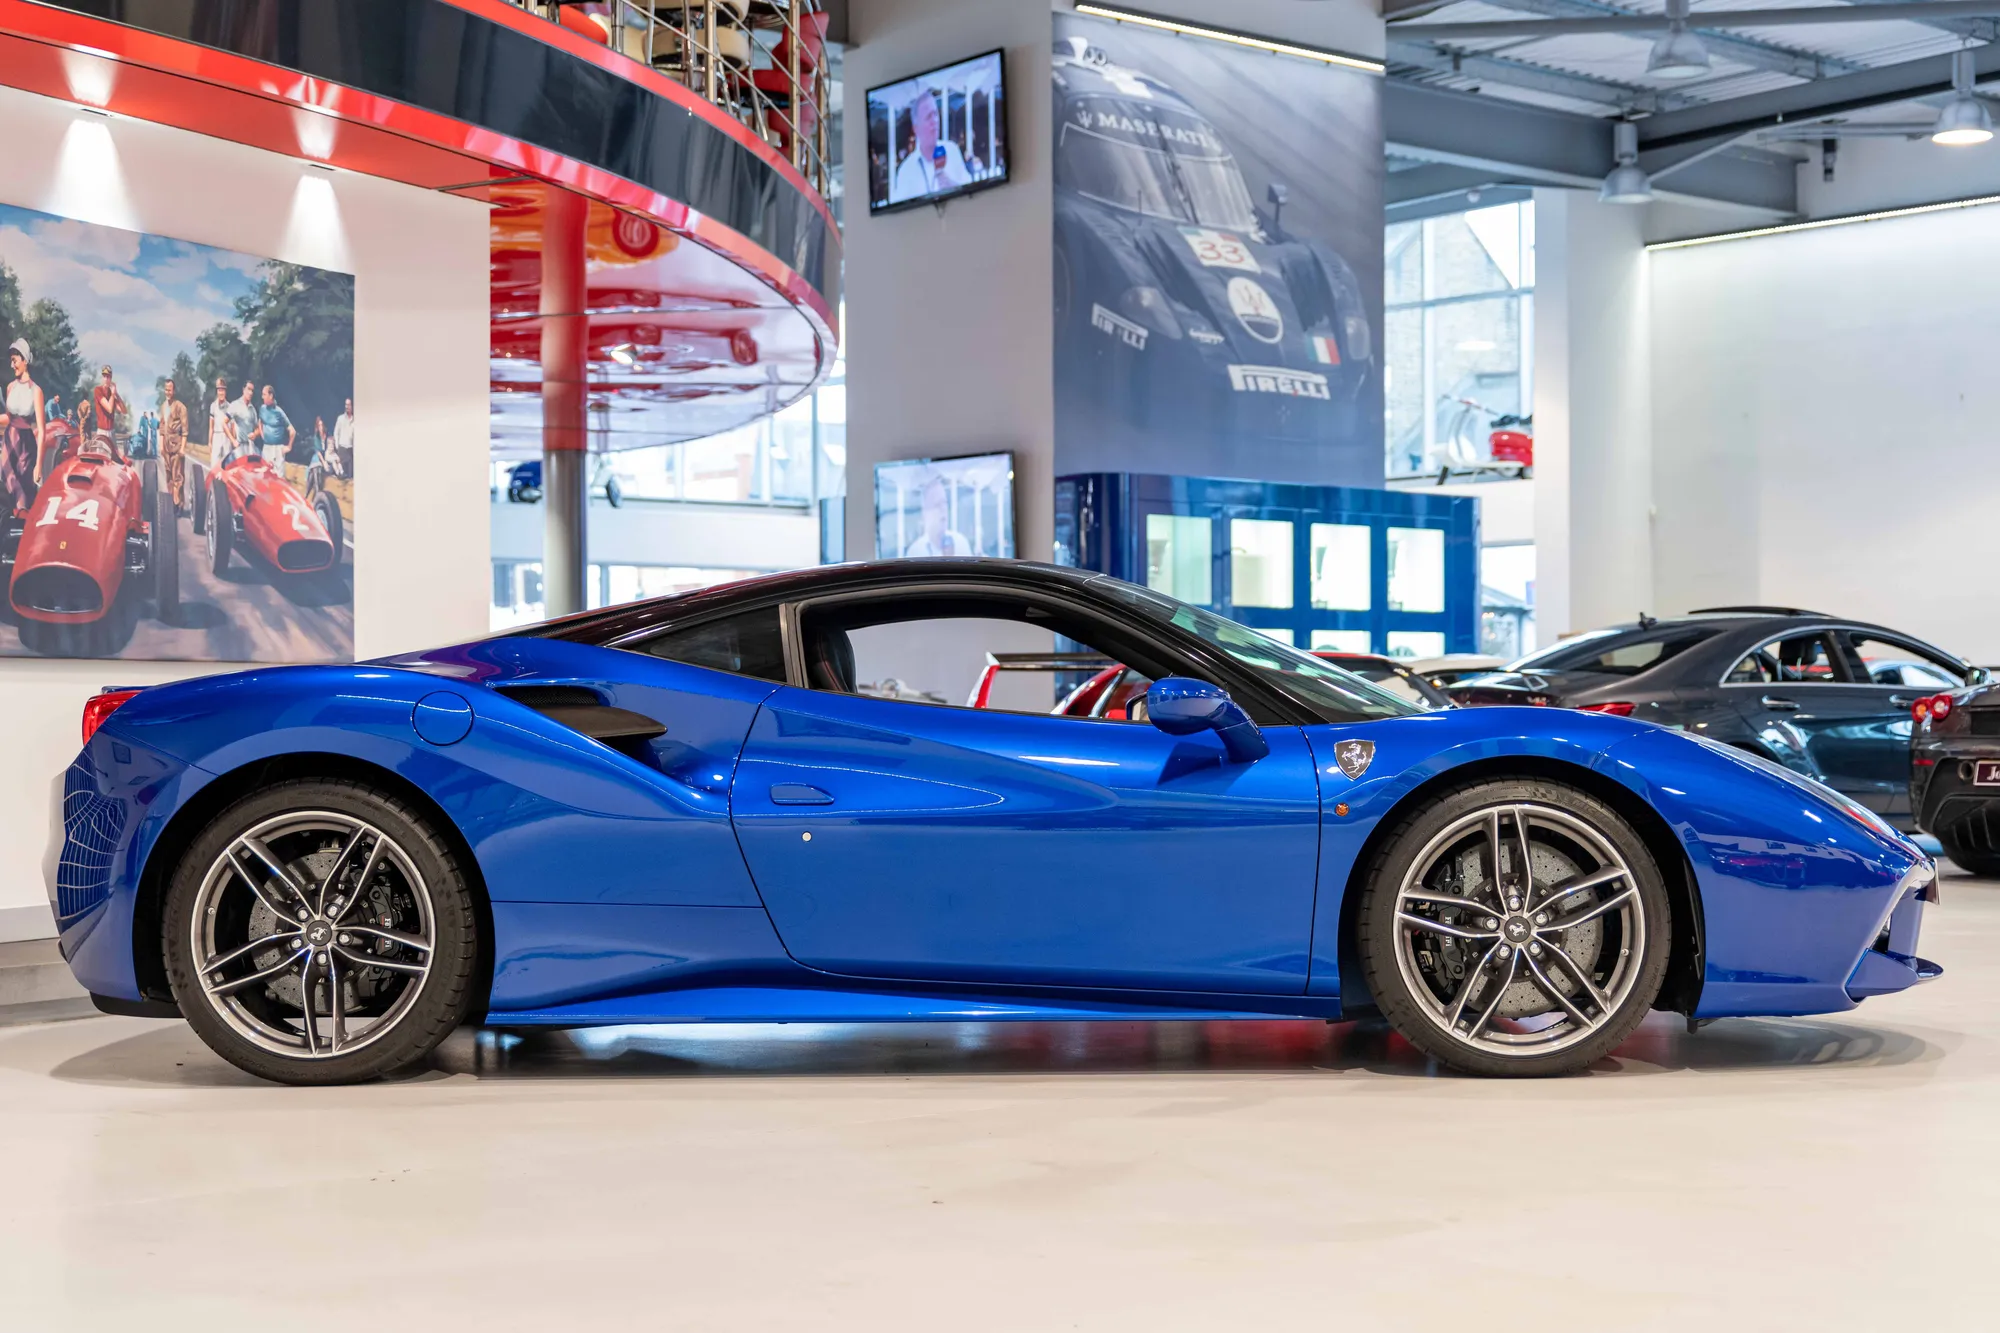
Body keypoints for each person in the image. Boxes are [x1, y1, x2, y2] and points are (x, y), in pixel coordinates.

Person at [890, 88, 970, 204]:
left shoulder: (952, 150)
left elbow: (970, 191)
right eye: (928, 117)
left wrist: (953, 187)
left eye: (935, 114)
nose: (935, 121)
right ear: (916, 128)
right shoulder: (906, 170)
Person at [0, 338, 44, 514]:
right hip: (9, 441)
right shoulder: (10, 387)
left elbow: (42, 430)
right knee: (7, 480)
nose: (12, 365)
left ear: (25, 360)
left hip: (26, 445)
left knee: (24, 490)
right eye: (11, 361)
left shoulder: (36, 391)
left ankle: (22, 520)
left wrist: (39, 464)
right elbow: (8, 417)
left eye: (15, 361)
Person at [900, 476, 973, 557]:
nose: (943, 509)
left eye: (944, 503)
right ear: (926, 512)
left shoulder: (961, 543)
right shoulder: (915, 552)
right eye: (937, 504)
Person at [158, 378, 189, 512]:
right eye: (166, 390)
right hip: (166, 447)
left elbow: (185, 430)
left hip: (176, 446)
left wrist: (182, 448)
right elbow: (162, 427)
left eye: (170, 390)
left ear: (174, 391)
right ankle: (172, 503)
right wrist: (161, 446)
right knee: (169, 476)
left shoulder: (181, 407)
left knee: (178, 477)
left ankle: (178, 504)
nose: (167, 392)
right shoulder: (163, 406)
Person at [255, 384, 295, 465]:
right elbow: (260, 421)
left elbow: (292, 431)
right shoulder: (262, 409)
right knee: (265, 470)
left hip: (277, 449)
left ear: (271, 396)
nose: (262, 397)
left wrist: (289, 447)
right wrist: (263, 435)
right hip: (266, 447)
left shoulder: (279, 412)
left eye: (264, 394)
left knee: (277, 472)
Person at [208, 375, 239, 466]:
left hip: (226, 438)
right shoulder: (213, 406)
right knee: (214, 464)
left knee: (227, 464)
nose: (221, 393)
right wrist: (210, 442)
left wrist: (233, 441)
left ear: (225, 392)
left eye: (223, 390)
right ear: (217, 391)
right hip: (216, 436)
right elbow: (211, 427)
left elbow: (233, 426)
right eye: (219, 390)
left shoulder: (230, 407)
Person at [227, 380, 259, 464]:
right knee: (240, 469)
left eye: (252, 390)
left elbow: (258, 428)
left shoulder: (252, 409)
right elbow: (224, 423)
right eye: (248, 389)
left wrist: (255, 434)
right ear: (243, 389)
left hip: (250, 447)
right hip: (239, 446)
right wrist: (233, 440)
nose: (250, 393)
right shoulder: (235, 405)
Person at [92, 365, 124, 440]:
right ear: (102, 378)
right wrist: (113, 395)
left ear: (111, 378)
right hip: (102, 432)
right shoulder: (98, 390)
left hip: (111, 431)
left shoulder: (111, 393)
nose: (106, 379)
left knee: (115, 448)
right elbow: (109, 409)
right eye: (104, 376)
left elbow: (123, 410)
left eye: (108, 377)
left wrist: (117, 394)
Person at [332, 396, 354, 479]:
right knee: (341, 477)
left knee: (350, 476)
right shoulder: (340, 418)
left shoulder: (355, 420)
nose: (347, 407)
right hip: (342, 449)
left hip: (350, 450)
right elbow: (336, 433)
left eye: (349, 405)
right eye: (346, 404)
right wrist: (337, 446)